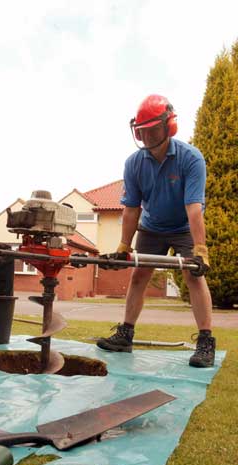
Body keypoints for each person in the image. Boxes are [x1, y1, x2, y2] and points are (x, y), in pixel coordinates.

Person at [96, 94, 216, 368]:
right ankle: (125, 335)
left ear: (169, 127)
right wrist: (124, 247)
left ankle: (206, 342)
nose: (147, 136)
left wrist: (200, 251)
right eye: (142, 131)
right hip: (151, 227)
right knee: (139, 276)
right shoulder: (134, 163)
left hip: (184, 227)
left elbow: (194, 208)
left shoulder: (191, 159)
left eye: (153, 129)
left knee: (193, 276)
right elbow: (131, 209)